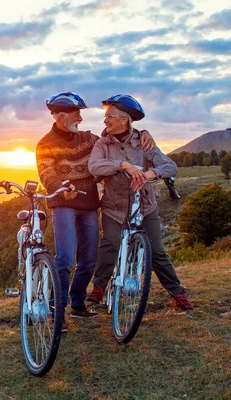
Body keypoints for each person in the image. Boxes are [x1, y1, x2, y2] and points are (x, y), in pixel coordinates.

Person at [36, 92, 156, 332]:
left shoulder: (89, 139)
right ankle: (55, 313)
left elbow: (115, 137)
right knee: (65, 259)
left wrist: (142, 133)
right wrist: (61, 187)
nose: (81, 118)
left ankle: (77, 304)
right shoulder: (45, 144)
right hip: (64, 205)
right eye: (76, 114)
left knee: (88, 260)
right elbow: (46, 173)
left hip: (89, 204)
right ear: (61, 118)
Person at [86, 94, 193, 311]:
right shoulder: (102, 143)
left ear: (125, 120)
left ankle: (178, 293)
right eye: (105, 116)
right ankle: (99, 288)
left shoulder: (144, 141)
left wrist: (151, 173)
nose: (105, 121)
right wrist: (123, 164)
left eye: (110, 116)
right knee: (111, 244)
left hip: (144, 207)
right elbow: (94, 167)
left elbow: (170, 166)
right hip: (114, 208)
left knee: (156, 251)